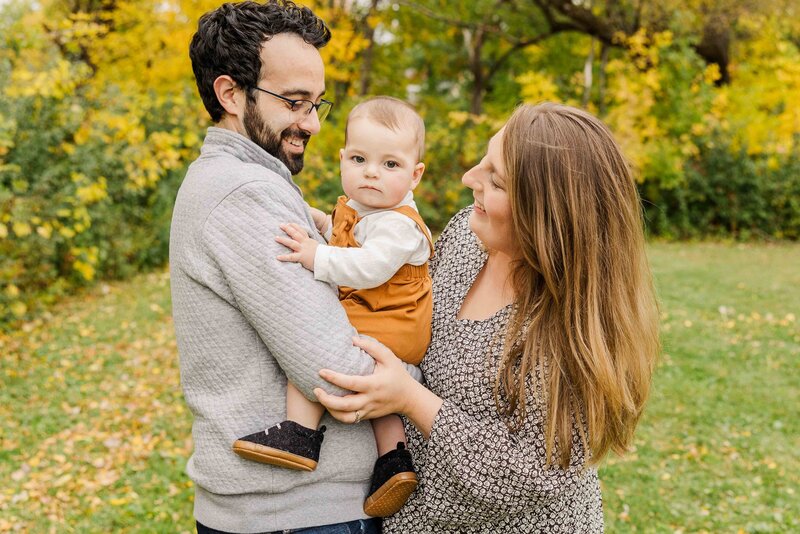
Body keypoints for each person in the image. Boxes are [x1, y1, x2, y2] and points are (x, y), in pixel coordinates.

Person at [314, 102, 660, 532]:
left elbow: (531, 474)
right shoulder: (466, 236)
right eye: (484, 161)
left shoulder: (570, 331)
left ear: (545, 217)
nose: (468, 179)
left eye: (494, 180)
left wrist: (409, 399)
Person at [170, 2, 417, 532]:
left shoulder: (246, 181)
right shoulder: (245, 192)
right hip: (297, 516)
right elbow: (333, 370)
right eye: (295, 102)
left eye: (316, 105)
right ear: (231, 94)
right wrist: (418, 385)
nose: (312, 124)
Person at [233, 96, 432, 518]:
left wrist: (314, 257)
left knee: (311, 340)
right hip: (387, 323)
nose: (372, 172)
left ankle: (301, 433)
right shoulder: (367, 208)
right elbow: (346, 231)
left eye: (390, 165)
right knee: (383, 397)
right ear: (343, 158)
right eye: (359, 158)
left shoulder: (398, 224)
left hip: (389, 319)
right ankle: (393, 462)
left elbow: (368, 266)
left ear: (415, 175)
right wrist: (319, 223)